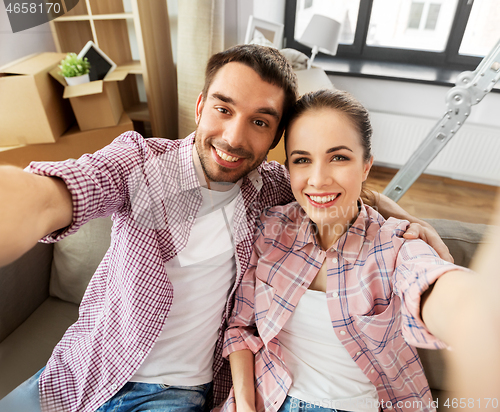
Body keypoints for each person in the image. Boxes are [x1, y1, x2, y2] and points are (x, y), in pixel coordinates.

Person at [0, 46, 450, 412]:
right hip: (82, 368)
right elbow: (57, 191)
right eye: (223, 109)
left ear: (274, 140)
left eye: (259, 122)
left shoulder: (270, 188)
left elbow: (338, 186)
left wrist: (404, 218)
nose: (235, 138)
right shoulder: (138, 162)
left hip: (172, 395)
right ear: (200, 106)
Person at [221, 89, 475, 412]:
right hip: (267, 399)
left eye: (339, 158)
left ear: (367, 165)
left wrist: (474, 313)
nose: (318, 179)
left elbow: (430, 283)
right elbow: (241, 328)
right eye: (302, 160)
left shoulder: (395, 245)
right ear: (288, 169)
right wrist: (244, 406)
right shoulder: (271, 228)